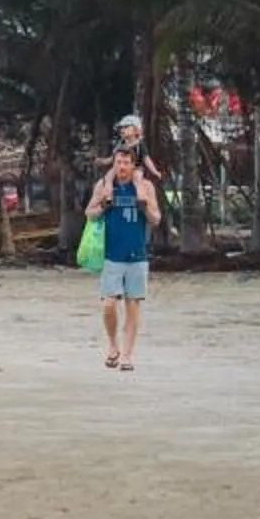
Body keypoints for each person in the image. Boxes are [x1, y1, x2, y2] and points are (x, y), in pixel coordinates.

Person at [88, 130, 163, 369]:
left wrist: (144, 207)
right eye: (118, 162)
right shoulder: (104, 186)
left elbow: (156, 219)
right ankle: (113, 345)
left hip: (138, 256)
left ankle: (127, 355)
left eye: (126, 162)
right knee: (109, 304)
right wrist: (103, 206)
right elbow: (89, 214)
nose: (122, 166)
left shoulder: (145, 187)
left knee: (133, 305)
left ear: (133, 165)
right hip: (112, 255)